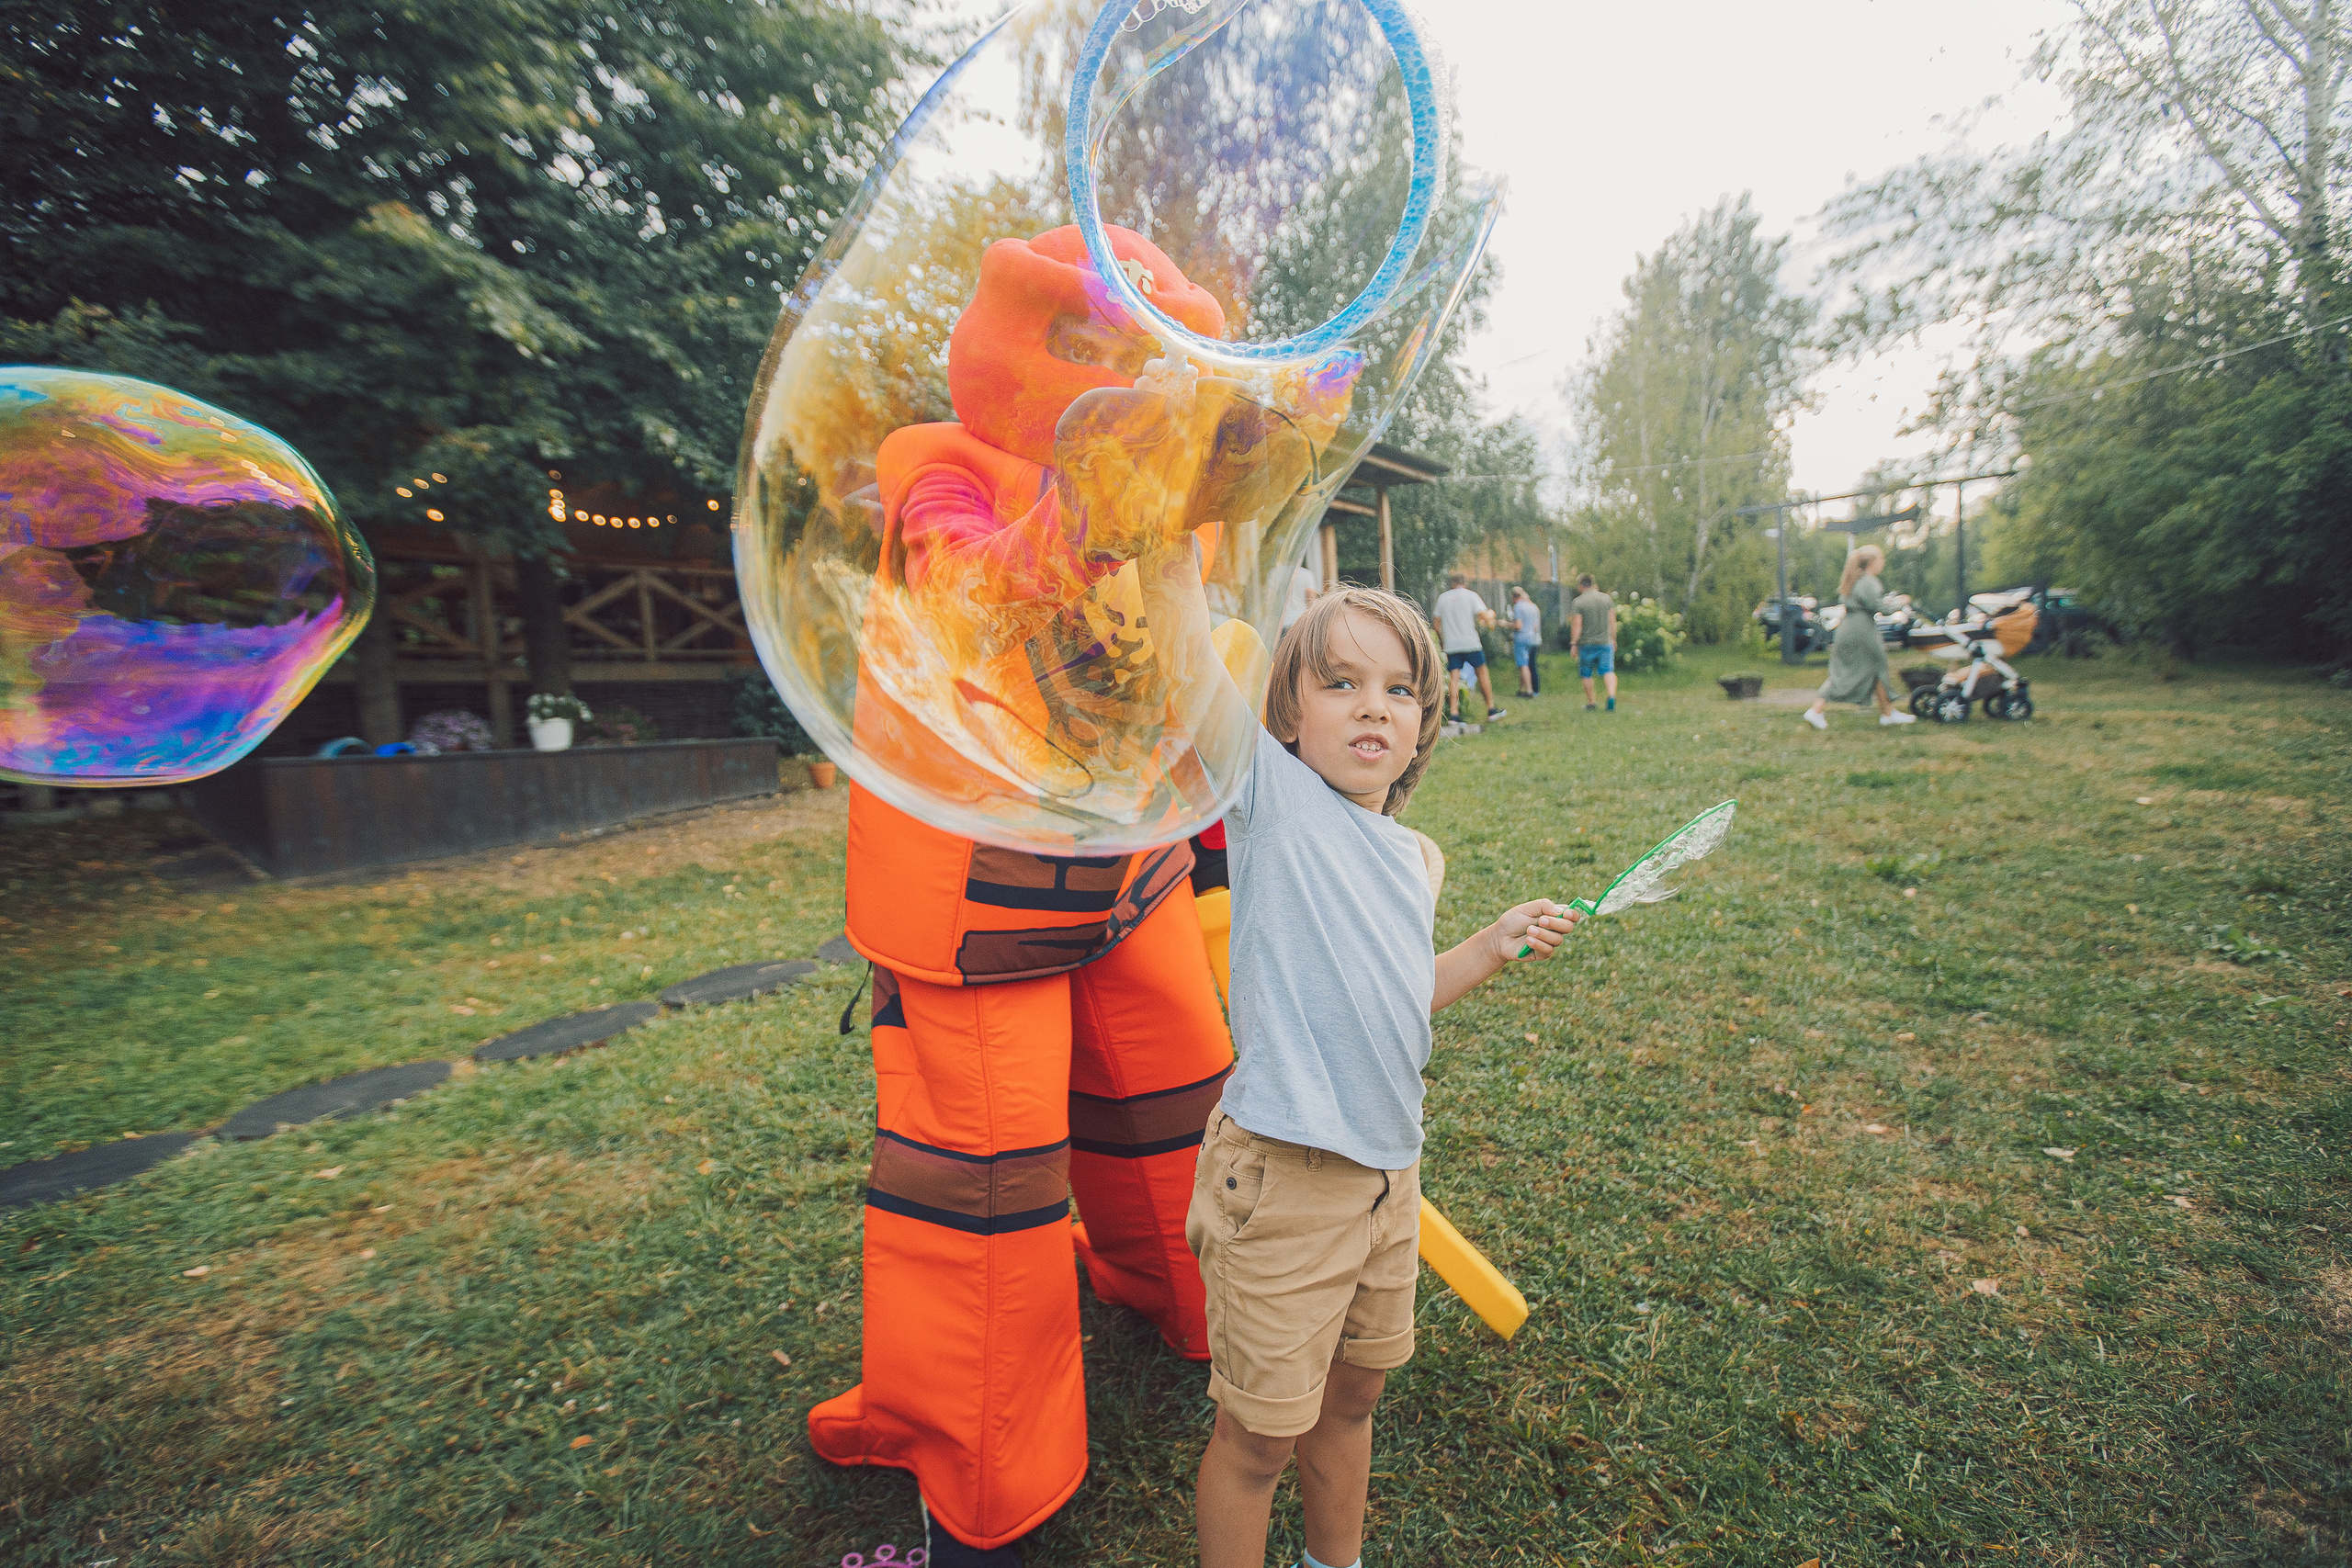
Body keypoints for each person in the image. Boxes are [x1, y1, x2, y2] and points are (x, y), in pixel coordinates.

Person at [1185, 587, 1579, 1568]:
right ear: (1287, 714)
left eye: (1400, 689)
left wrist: (1488, 947)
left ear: (1421, 727)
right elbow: (1186, 669)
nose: (1373, 705)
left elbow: (1398, 995)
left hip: (1388, 1178)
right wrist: (1168, 548)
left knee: (1354, 1395)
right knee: (1259, 1436)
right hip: (1281, 1184)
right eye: (1340, 683)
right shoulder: (1271, 803)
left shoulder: (1416, 858)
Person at [1804, 545, 1918, 730]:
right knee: (1855, 671)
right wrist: (1900, 603)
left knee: (1873, 669)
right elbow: (1878, 607)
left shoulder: (1857, 580)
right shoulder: (1868, 581)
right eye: (1881, 559)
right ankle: (1816, 710)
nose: (1883, 563)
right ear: (1872, 562)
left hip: (1851, 627)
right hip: (1862, 631)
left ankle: (1888, 714)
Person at [1431, 571, 1506, 724]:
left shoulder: (1443, 598)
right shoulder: (1471, 596)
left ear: (1452, 583)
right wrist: (1491, 613)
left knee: (1454, 677)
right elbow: (1484, 617)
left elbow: (1436, 625)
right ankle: (1491, 709)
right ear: (1465, 583)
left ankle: (1454, 714)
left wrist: (1442, 641)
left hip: (1452, 643)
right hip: (1470, 642)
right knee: (1482, 672)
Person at [1567, 574, 1616, 711]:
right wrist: (1613, 639)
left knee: (1586, 673)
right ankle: (1611, 696)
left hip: (1586, 644)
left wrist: (1574, 644)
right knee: (1608, 670)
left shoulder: (1579, 602)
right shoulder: (1606, 599)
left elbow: (1577, 624)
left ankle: (1591, 702)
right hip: (1605, 642)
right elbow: (1612, 621)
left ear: (1581, 585)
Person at [1508, 585, 1543, 697]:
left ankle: (1529, 691)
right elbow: (1536, 625)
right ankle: (1524, 689)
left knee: (1523, 665)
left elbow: (1518, 625)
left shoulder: (1518, 607)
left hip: (1522, 638)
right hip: (1534, 638)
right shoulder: (1533, 606)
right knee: (1532, 664)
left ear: (1514, 596)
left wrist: (1506, 624)